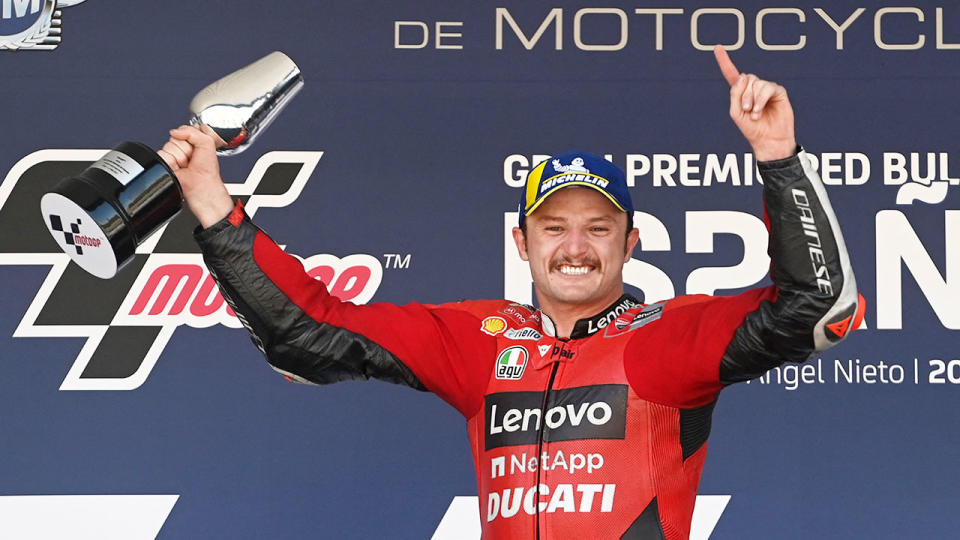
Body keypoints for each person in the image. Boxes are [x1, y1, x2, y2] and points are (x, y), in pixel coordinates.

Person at [158, 47, 862, 539]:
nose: (576, 246)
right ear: (522, 244)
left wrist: (778, 157)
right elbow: (307, 334)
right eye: (553, 227)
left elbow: (818, 308)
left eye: (598, 227)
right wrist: (212, 201)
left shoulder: (667, 338)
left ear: (631, 243)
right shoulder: (477, 340)